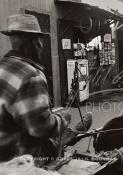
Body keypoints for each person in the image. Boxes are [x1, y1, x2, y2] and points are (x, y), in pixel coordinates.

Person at [0, 14, 71, 166]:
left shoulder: (3, 66)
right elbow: (40, 129)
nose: (41, 45)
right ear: (36, 43)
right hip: (19, 162)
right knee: (61, 121)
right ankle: (68, 135)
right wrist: (63, 119)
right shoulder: (31, 76)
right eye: (40, 41)